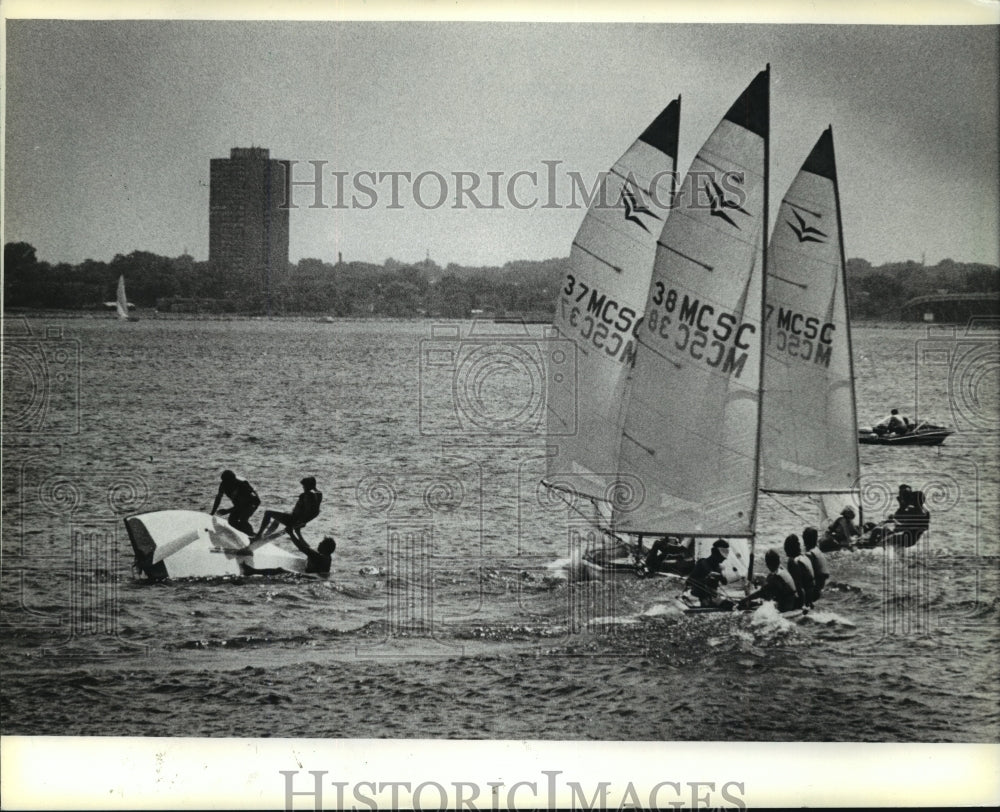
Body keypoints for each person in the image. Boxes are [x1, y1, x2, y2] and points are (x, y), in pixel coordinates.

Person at [252, 476, 323, 547]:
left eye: (304, 486)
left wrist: (300, 522)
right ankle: (266, 535)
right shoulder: (319, 494)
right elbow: (316, 512)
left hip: (294, 519)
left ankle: (259, 536)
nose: (303, 488)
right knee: (279, 518)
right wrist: (304, 522)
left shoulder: (308, 495)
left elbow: (308, 511)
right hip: (298, 519)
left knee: (268, 513)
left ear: (309, 486)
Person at [685, 539, 733, 609]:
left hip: (713, 596)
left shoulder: (719, 567)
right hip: (700, 597)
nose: (723, 559)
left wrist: (722, 577)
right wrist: (706, 578)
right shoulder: (702, 563)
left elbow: (724, 582)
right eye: (721, 557)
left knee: (731, 605)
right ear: (714, 553)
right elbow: (689, 582)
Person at [209, 469, 260, 536]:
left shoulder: (242, 484)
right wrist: (212, 512)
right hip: (240, 503)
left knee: (243, 519)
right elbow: (218, 498)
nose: (228, 484)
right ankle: (245, 534)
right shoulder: (223, 484)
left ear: (234, 479)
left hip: (252, 502)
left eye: (231, 482)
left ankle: (252, 535)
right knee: (232, 521)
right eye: (226, 482)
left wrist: (227, 511)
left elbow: (243, 504)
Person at [783, 534, 815, 609]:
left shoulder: (793, 562)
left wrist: (802, 605)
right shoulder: (805, 557)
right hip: (811, 596)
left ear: (789, 548)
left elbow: (798, 586)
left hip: (803, 599)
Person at [802, 526, 830, 603]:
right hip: (823, 586)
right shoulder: (818, 550)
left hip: (815, 590)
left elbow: (805, 576)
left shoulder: (809, 554)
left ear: (805, 539)